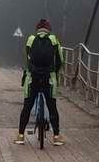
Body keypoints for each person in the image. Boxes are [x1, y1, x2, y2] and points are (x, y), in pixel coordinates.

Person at [15, 18, 65, 146]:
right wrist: (55, 71)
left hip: (33, 78)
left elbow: (28, 59)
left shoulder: (31, 39)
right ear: (48, 30)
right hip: (49, 78)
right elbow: (60, 59)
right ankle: (56, 137)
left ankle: (20, 136)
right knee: (52, 107)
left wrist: (30, 70)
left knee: (27, 106)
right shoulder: (54, 39)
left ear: (37, 30)